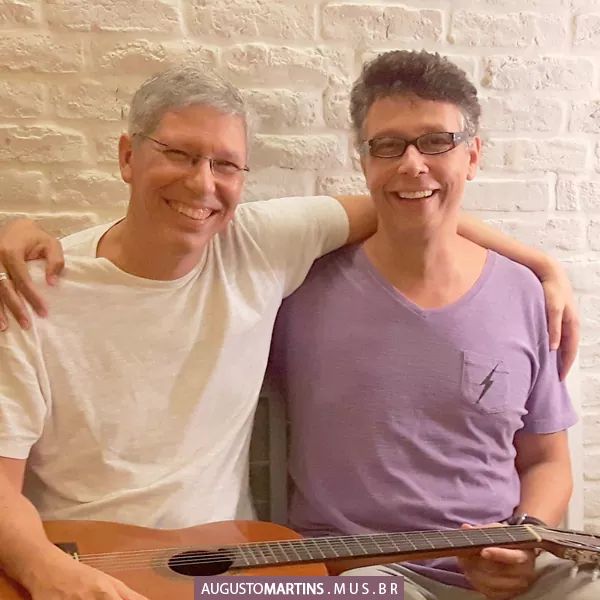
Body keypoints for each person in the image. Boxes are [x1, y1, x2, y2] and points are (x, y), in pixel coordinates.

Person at [0, 60, 580, 599]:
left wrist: (541, 265)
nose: (202, 183)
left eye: (226, 165)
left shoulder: (257, 248)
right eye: (178, 153)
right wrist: (47, 571)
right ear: (128, 156)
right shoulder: (33, 291)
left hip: (227, 568)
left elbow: (413, 202)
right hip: (82, 562)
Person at [268, 50, 595, 600]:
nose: (412, 164)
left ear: (473, 155)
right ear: (364, 161)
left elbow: (547, 460)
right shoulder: (299, 291)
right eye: (387, 145)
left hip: (511, 574)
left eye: (436, 141)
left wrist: (525, 538)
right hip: (365, 577)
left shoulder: (524, 295)